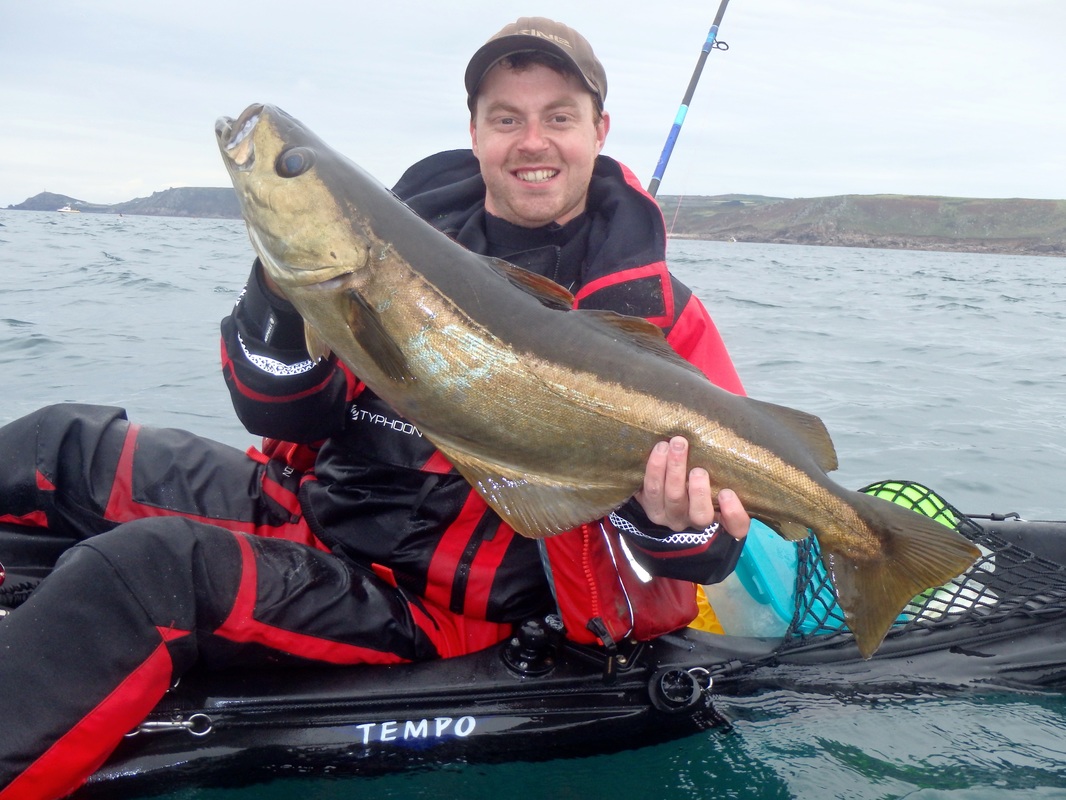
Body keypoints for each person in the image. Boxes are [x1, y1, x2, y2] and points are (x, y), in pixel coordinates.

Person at [0, 17, 750, 799]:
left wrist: (672, 521)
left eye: (558, 116)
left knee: (147, 572)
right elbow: (281, 412)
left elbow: (708, 554)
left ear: (600, 130)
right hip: (312, 510)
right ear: (474, 132)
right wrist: (284, 288)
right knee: (54, 445)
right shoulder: (394, 234)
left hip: (434, 607)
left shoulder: (662, 319)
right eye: (506, 118)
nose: (533, 141)